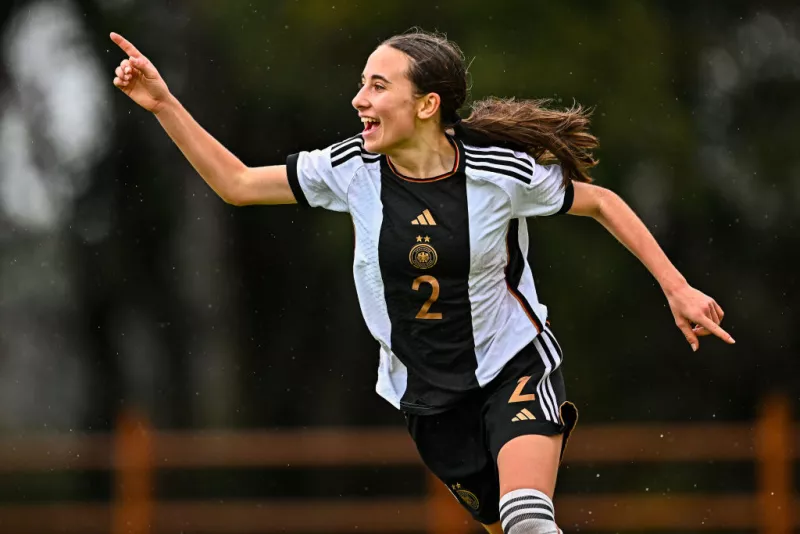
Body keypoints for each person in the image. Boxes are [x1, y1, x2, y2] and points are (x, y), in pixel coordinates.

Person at [109, 29, 733, 534]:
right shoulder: (351, 169)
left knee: (528, 518)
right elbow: (238, 184)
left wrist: (676, 288)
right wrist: (164, 102)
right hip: (426, 395)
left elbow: (599, 202)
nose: (359, 100)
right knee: (500, 524)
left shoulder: (499, 174)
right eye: (361, 85)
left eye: (378, 86)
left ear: (427, 104)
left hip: (514, 364)